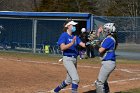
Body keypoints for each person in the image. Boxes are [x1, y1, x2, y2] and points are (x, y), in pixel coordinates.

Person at [50, 20, 86, 93]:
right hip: (67, 59)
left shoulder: (74, 36)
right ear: (68, 26)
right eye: (73, 25)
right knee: (75, 79)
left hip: (74, 59)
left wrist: (90, 41)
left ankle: (55, 91)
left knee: (68, 80)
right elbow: (62, 47)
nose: (74, 27)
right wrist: (71, 43)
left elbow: (83, 45)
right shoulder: (64, 35)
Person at [95, 23, 118, 93]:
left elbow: (100, 50)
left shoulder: (109, 39)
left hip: (108, 63)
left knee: (99, 83)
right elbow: (99, 41)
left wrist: (93, 45)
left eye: (105, 30)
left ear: (109, 31)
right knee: (104, 81)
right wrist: (98, 33)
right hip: (108, 63)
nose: (104, 31)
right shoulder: (110, 38)